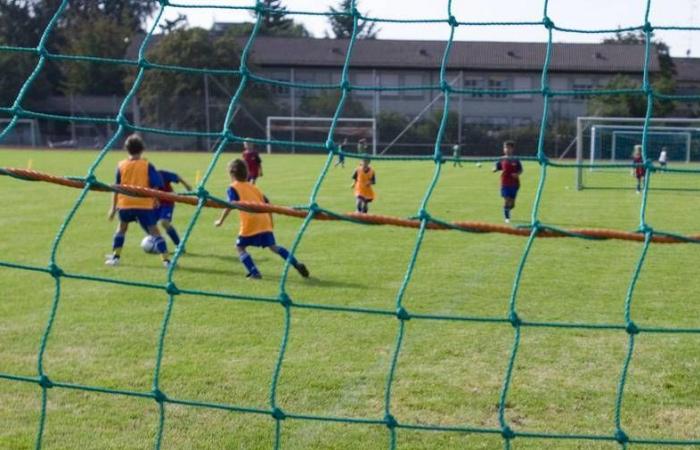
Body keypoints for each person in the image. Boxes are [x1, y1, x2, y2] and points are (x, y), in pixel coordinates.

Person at [214, 159, 309, 280]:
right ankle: (296, 264)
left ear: (231, 174)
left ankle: (254, 273)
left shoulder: (233, 187)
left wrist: (220, 220)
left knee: (240, 247)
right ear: (247, 173)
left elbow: (230, 205)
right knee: (274, 247)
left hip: (250, 222)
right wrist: (271, 221)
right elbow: (268, 204)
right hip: (264, 220)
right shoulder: (254, 187)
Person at [106, 134, 170, 267]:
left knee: (121, 229)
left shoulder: (121, 165)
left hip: (125, 204)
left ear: (126, 149)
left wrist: (113, 208)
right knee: (154, 231)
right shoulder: (147, 165)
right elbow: (157, 183)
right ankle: (166, 261)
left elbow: (116, 187)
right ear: (142, 149)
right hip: (144, 204)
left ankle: (115, 258)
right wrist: (155, 198)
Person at [156, 169, 192, 249]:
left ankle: (179, 245)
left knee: (164, 222)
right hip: (153, 203)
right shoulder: (142, 177)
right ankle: (157, 244)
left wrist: (187, 186)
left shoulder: (161, 174)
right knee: (150, 224)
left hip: (167, 203)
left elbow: (177, 177)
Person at [493, 140, 523, 224]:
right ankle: (507, 217)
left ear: (512, 149)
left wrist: (517, 174)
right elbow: (496, 167)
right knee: (507, 200)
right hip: (505, 184)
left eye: (509, 148)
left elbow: (521, 170)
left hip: (515, 184)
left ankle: (508, 209)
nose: (507, 149)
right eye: (505, 148)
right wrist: (494, 169)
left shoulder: (516, 160)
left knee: (512, 204)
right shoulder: (501, 159)